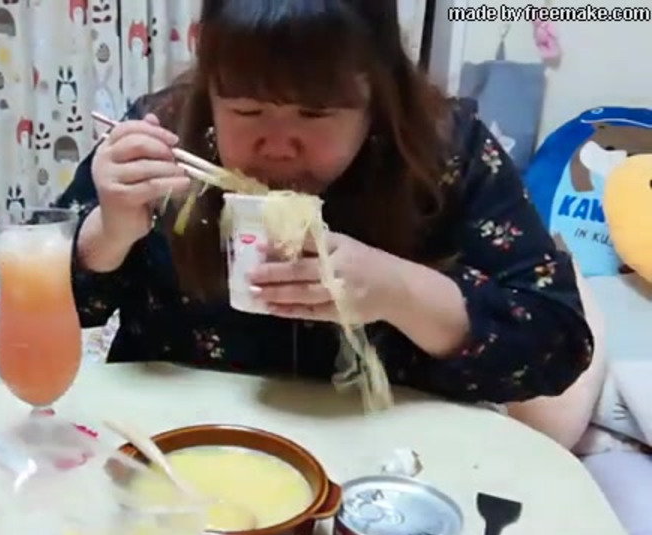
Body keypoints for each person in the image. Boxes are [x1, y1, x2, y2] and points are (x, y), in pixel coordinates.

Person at [53, 0, 594, 405]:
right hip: (185, 444)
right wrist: (109, 232)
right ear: (210, 89)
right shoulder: (165, 137)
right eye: (246, 111)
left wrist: (399, 291)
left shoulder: (444, 151)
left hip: (382, 456)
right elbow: (50, 310)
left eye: (315, 114)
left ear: (376, 96)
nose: (278, 146)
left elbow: (557, 344)